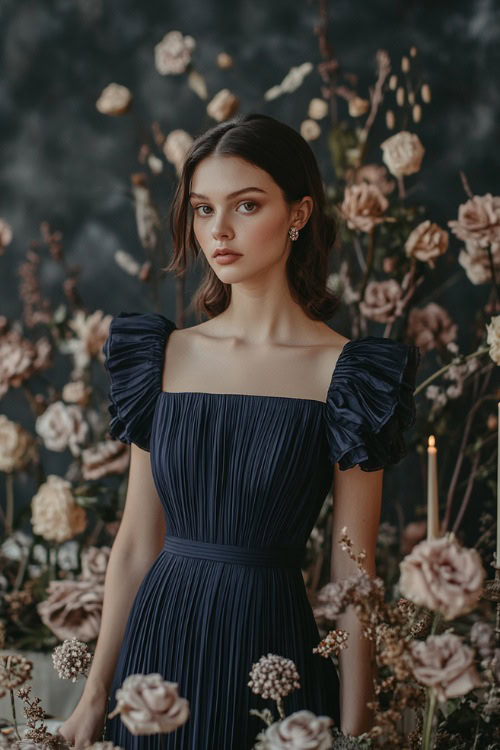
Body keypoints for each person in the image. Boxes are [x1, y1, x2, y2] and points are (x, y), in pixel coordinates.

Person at [57, 112, 420, 749]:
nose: (218, 231)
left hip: (272, 651)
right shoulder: (159, 357)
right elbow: (138, 542)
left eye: (245, 205)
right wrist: (92, 703)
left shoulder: (351, 376)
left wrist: (363, 733)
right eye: (202, 209)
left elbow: (353, 575)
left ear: (299, 213)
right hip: (157, 652)